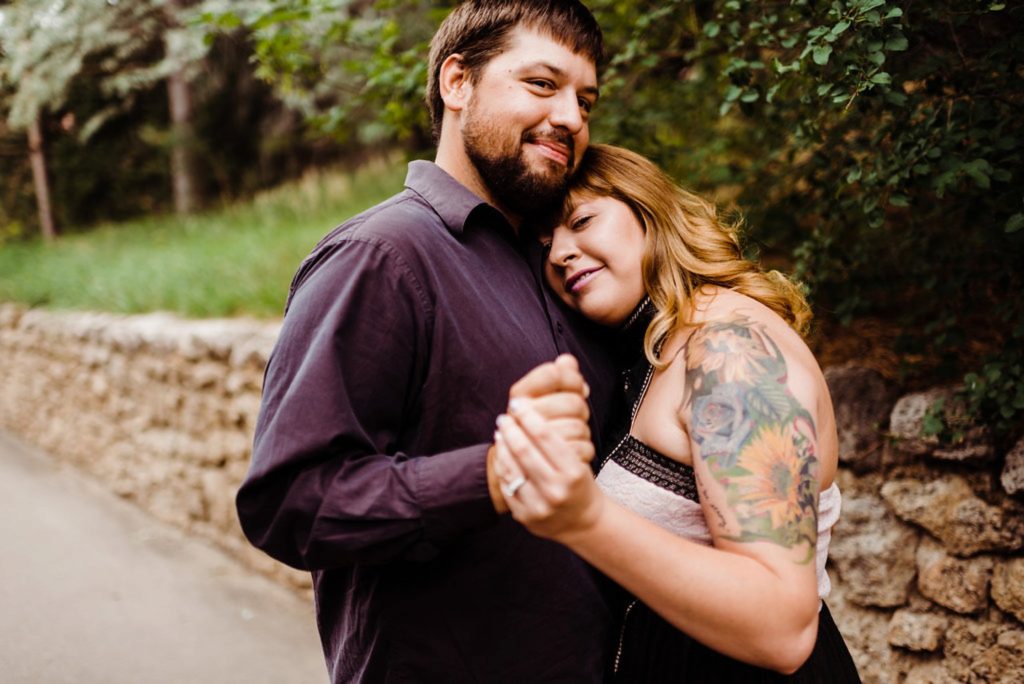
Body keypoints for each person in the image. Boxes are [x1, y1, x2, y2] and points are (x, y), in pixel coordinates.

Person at [235, 2, 620, 681]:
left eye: (585, 100)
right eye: (542, 84)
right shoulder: (381, 257)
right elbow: (293, 501)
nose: (570, 118)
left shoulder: (564, 267)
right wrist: (494, 474)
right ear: (457, 84)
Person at [493, 144, 861, 681]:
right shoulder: (655, 350)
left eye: (582, 221)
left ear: (650, 212)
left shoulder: (730, 352)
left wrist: (584, 519)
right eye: (545, 245)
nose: (560, 253)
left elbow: (784, 629)